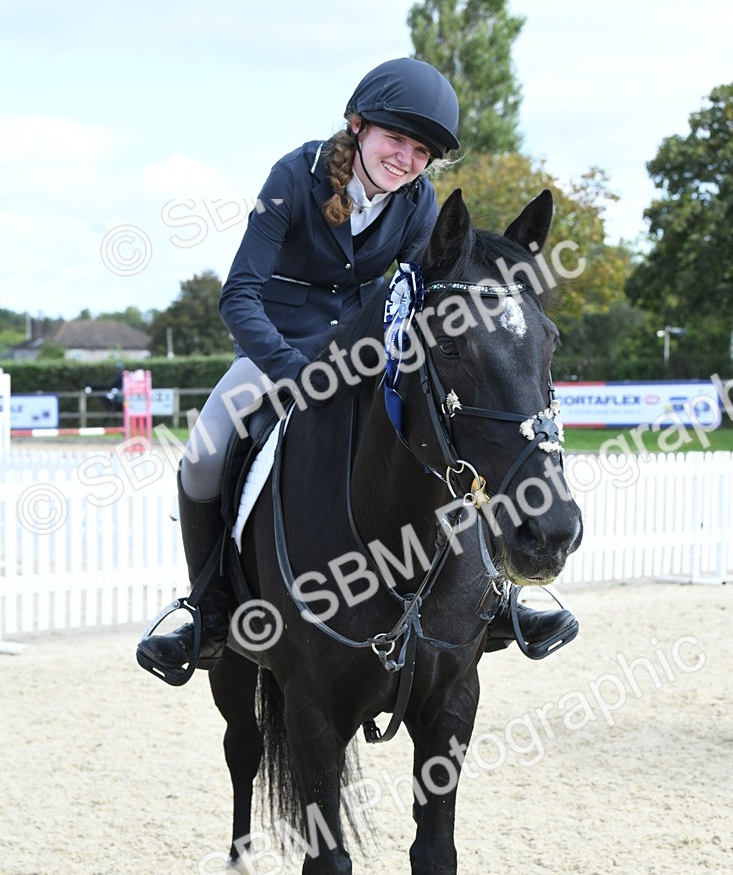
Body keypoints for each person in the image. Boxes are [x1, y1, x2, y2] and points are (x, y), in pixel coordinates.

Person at [136, 57, 577, 682]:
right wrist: (292, 370)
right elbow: (239, 294)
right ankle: (206, 610)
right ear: (358, 127)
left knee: (447, 436)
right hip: (278, 352)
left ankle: (496, 596)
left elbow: (423, 295)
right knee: (205, 454)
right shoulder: (295, 175)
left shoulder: (420, 203)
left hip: (366, 357)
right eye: (396, 139)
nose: (406, 158)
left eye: (421, 150)